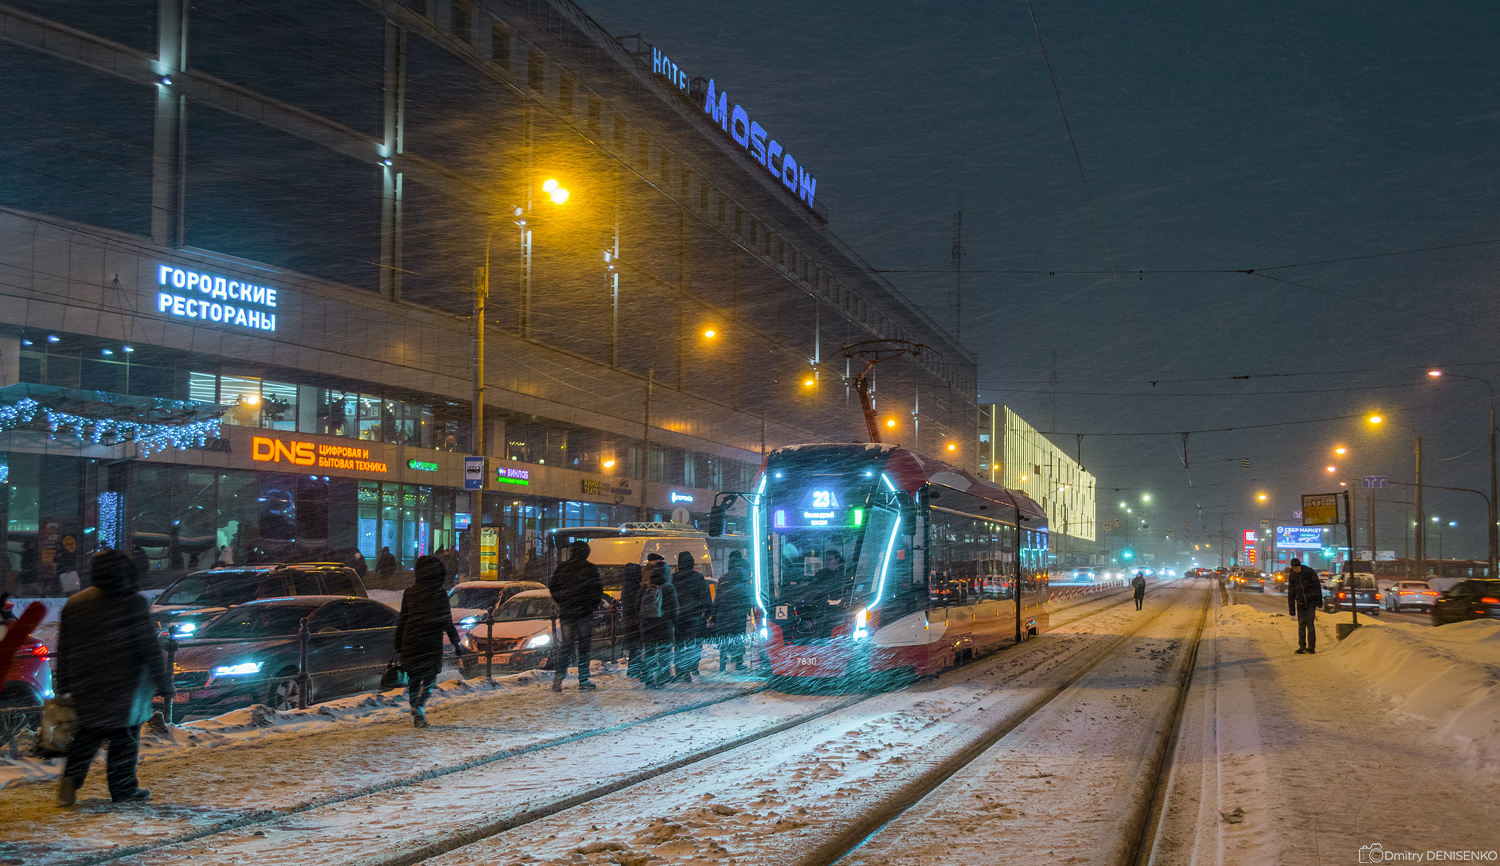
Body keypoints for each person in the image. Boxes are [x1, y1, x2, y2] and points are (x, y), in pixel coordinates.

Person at [55, 549, 173, 806]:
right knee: (124, 737)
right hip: (125, 684)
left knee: (88, 734)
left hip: (86, 681)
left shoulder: (76, 603)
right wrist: (163, 682)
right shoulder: (132, 602)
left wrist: (62, 682)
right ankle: (123, 789)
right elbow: (148, 647)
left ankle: (70, 781)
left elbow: (65, 647)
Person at [394, 555, 463, 727]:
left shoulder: (410, 592)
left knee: (414, 679)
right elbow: (447, 622)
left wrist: (398, 643)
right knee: (430, 680)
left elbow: (403, 620)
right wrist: (456, 643)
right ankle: (419, 705)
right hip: (431, 643)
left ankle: (417, 712)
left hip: (411, 641)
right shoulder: (440, 594)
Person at [549, 540, 604, 692]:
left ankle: (559, 677)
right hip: (584, 613)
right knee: (584, 647)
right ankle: (583, 680)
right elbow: (597, 590)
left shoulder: (563, 568)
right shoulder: (590, 568)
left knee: (566, 646)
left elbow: (553, 588)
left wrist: (563, 602)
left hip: (567, 613)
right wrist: (591, 605)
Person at [637, 559, 678, 688]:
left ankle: (649, 680)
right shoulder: (668, 587)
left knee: (649, 653)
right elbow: (674, 608)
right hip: (664, 625)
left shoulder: (646, 587)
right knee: (664, 653)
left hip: (647, 625)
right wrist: (672, 620)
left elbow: (637, 606)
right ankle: (662, 678)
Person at [672, 552, 711, 682]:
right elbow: (705, 596)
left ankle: (680, 670)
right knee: (694, 644)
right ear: (692, 563)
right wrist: (708, 613)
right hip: (694, 616)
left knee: (679, 644)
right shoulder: (698, 577)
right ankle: (692, 667)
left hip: (678, 617)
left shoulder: (673, 578)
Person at [713, 551, 753, 672]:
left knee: (724, 639)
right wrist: (748, 610)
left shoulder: (723, 578)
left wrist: (713, 615)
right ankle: (739, 662)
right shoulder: (744, 577)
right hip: (738, 615)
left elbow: (717, 598)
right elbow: (748, 596)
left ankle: (722, 665)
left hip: (723, 614)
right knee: (739, 638)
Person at [1286, 557, 1324, 654]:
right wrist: (1292, 610)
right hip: (1300, 603)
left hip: (1311, 602)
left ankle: (1311, 647)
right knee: (1301, 625)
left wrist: (1319, 601)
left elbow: (1317, 587)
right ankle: (1302, 646)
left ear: (1300, 566)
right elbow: (1291, 593)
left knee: (1310, 625)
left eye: (1297, 568)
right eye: (1294, 568)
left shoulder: (1309, 572)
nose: (1296, 570)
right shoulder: (1292, 576)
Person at [619, 562, 645, 678]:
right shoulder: (634, 587)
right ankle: (634, 669)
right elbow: (637, 604)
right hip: (634, 620)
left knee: (635, 647)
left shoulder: (627, 585)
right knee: (636, 646)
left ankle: (634, 669)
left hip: (629, 620)